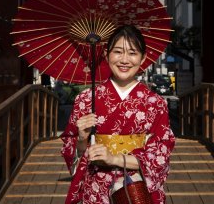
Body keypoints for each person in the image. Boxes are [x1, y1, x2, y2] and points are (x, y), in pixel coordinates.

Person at [61, 25, 175, 204]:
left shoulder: (155, 103)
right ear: (106, 55)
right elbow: (72, 152)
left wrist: (113, 158)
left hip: (135, 187)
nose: (124, 60)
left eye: (132, 53)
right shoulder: (85, 99)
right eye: (118, 51)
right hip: (96, 187)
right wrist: (82, 139)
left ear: (143, 58)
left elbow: (159, 157)